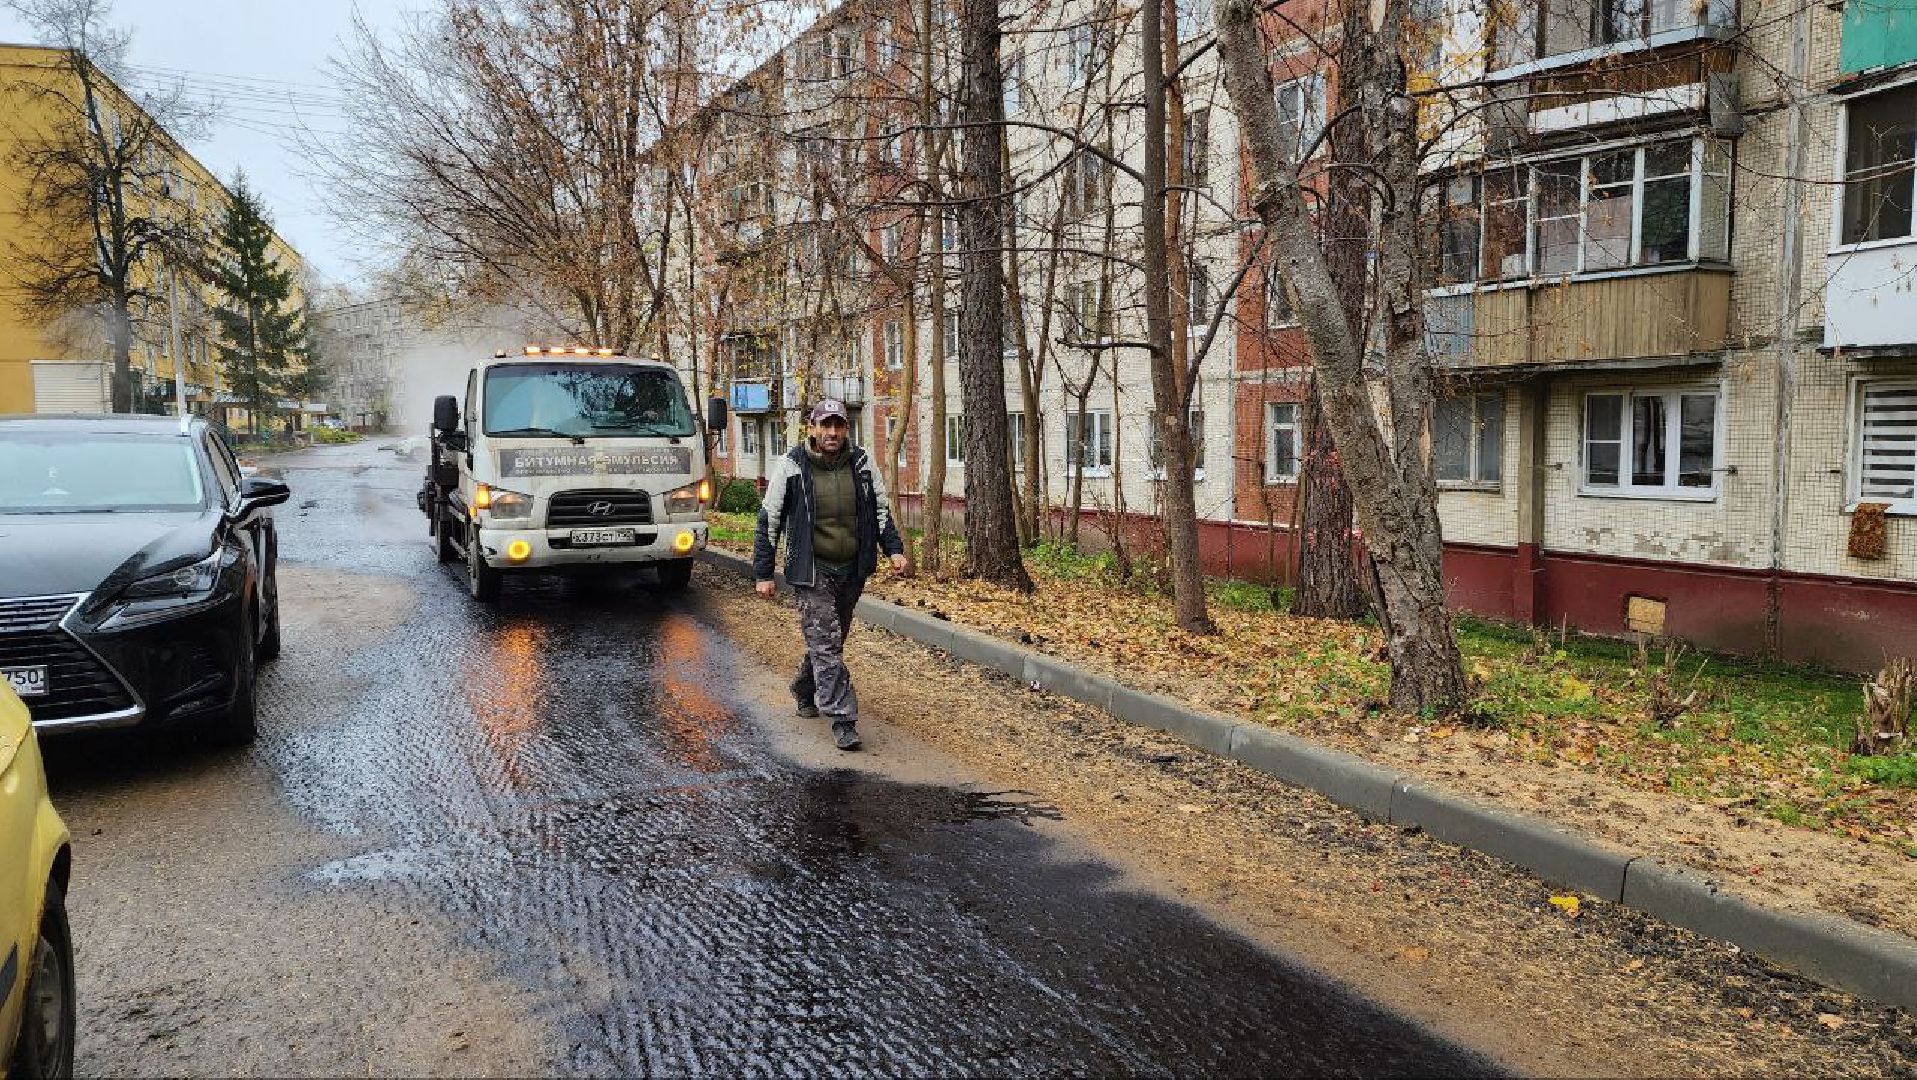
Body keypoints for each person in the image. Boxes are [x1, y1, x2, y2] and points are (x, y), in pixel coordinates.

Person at [752, 399, 907, 750]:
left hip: (852, 569)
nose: (832, 432)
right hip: (811, 570)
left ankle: (804, 688)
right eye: (826, 425)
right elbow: (769, 520)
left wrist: (894, 550)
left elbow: (880, 511)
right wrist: (763, 572)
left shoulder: (863, 463)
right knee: (825, 642)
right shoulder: (792, 465)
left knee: (831, 642)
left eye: (838, 425)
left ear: (846, 429)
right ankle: (842, 718)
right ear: (813, 428)